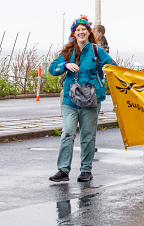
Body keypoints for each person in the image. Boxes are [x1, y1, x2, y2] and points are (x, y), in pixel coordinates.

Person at [48, 15, 115, 182]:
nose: (81, 32)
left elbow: (112, 64)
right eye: (78, 30)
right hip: (70, 100)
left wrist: (107, 69)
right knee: (67, 133)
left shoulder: (96, 50)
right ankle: (63, 171)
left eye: (83, 29)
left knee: (88, 136)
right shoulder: (68, 51)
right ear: (74, 33)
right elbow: (52, 69)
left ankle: (86, 170)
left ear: (88, 31)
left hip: (91, 99)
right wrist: (64, 65)